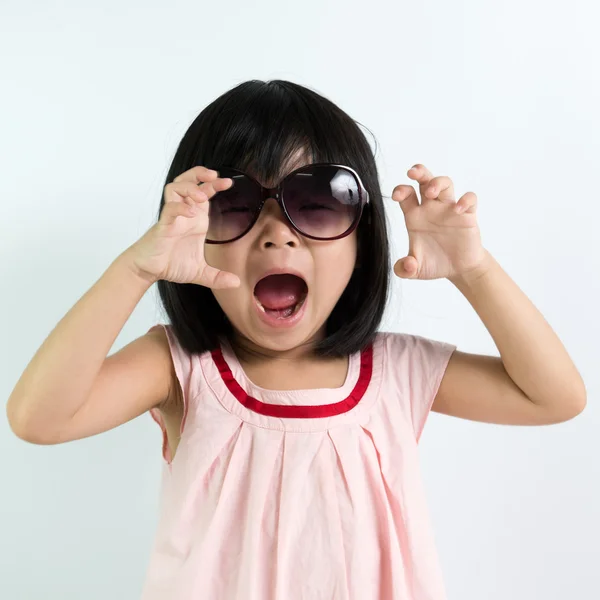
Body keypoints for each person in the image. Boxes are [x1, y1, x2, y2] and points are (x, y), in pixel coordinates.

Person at [6, 80, 587, 600]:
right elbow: (39, 418)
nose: (276, 236)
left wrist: (474, 269)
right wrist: (136, 267)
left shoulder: (396, 370)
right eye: (233, 206)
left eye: (318, 203)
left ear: (365, 239)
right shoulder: (181, 367)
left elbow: (555, 397)